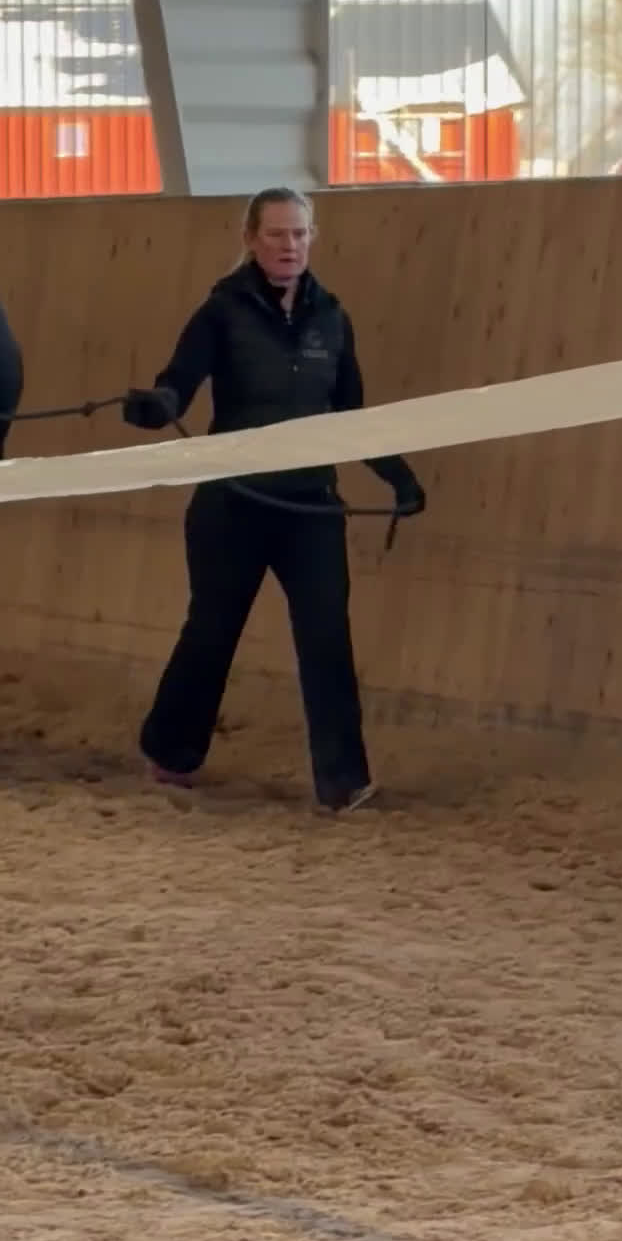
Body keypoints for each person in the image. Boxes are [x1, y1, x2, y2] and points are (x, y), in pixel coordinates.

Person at [121, 186, 425, 812]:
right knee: (212, 629)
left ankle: (343, 781)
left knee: (325, 635)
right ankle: (171, 748)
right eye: (276, 234)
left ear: (313, 238)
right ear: (250, 240)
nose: (289, 246)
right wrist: (157, 407)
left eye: (299, 234)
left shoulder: (332, 318)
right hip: (232, 503)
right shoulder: (221, 313)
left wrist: (397, 475)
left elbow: (350, 414)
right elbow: (179, 381)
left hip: (310, 507)